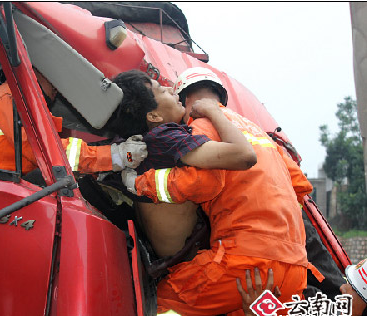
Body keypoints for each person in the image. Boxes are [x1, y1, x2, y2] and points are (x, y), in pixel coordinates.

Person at [112, 67, 321, 316]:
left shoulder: (200, 127)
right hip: (295, 269)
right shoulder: (258, 133)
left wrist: (139, 183)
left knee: (161, 305)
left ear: (188, 101)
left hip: (243, 263)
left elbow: (200, 183)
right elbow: (300, 188)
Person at [106, 70, 256, 262]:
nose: (171, 89)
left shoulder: (143, 143)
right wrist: (214, 111)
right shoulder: (165, 137)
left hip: (168, 260)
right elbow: (244, 155)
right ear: (153, 116)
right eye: (163, 90)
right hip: (186, 264)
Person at [0, 68, 147, 175]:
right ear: (34, 71)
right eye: (53, 79)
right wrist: (117, 156)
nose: (58, 88)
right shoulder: (13, 100)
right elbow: (48, 152)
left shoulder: (9, 95)